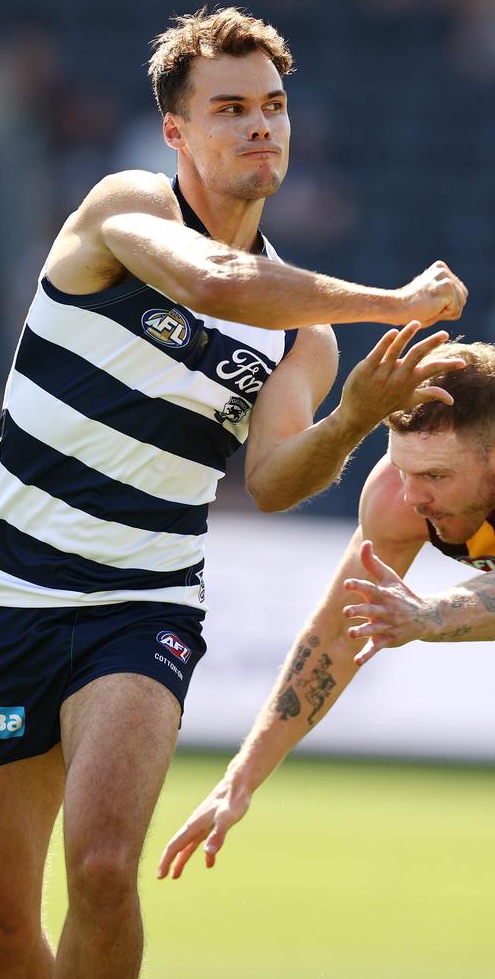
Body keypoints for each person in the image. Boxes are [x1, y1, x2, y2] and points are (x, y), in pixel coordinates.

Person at [0, 6, 467, 979]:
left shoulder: (302, 334)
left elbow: (271, 481)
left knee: (101, 869)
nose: (260, 125)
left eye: (272, 106)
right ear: (175, 131)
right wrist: (395, 303)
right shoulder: (122, 210)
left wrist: (349, 417)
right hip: (2, 599)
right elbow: (218, 283)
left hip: (140, 606)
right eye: (229, 108)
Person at [158, 339, 495, 882]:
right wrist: (239, 778)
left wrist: (432, 615)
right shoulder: (396, 496)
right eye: (405, 470)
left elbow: (438, 614)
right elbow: (337, 635)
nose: (414, 497)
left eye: (435, 477)